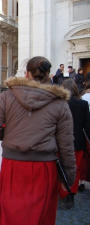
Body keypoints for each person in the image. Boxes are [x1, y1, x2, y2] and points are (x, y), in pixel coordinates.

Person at [0, 56, 76, 225]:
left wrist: (12, 136)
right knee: (40, 216)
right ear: (48, 74)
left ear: (26, 73)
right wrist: (68, 178)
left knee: (10, 213)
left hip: (13, 164)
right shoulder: (60, 103)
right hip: (44, 167)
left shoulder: (7, 96)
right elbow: (66, 144)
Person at [60, 79, 90, 209]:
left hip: (60, 142)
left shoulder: (59, 103)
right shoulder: (82, 104)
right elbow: (87, 126)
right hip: (77, 142)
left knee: (61, 169)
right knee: (75, 169)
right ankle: (71, 194)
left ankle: (63, 193)